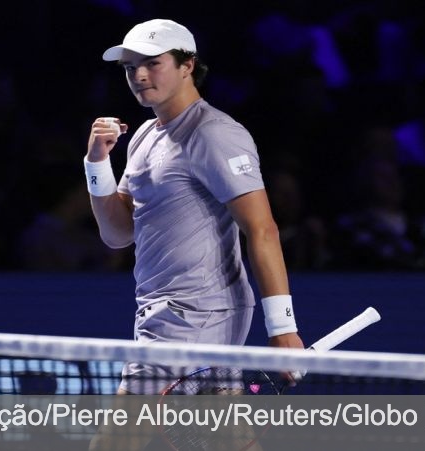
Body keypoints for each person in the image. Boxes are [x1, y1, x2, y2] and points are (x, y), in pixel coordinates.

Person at [85, 18, 304, 388]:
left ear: (188, 66)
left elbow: (262, 228)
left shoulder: (214, 133)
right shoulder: (143, 137)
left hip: (196, 314)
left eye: (153, 63)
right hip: (163, 311)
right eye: (130, 67)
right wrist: (96, 163)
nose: (138, 75)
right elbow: (117, 234)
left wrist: (283, 327)